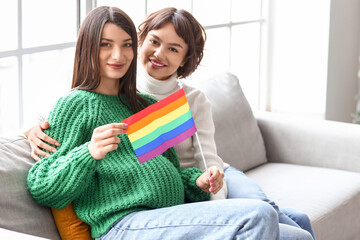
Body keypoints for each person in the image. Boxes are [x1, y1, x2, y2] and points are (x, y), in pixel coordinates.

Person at [26, 6, 314, 240]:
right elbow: (43, 186)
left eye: (126, 45)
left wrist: (199, 183)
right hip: (123, 225)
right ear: (89, 48)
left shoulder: (144, 105)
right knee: (259, 215)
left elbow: (172, 171)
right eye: (105, 45)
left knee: (298, 235)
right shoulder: (77, 104)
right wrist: (87, 153)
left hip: (167, 216)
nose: (119, 55)